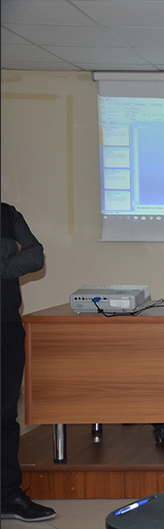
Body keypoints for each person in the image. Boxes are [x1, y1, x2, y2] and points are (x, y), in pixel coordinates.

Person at [1, 202, 56, 522]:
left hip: (7, 326)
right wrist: (11, 247)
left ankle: (7, 495)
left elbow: (35, 257)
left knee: (6, 416)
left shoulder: (7, 213)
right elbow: (21, 251)